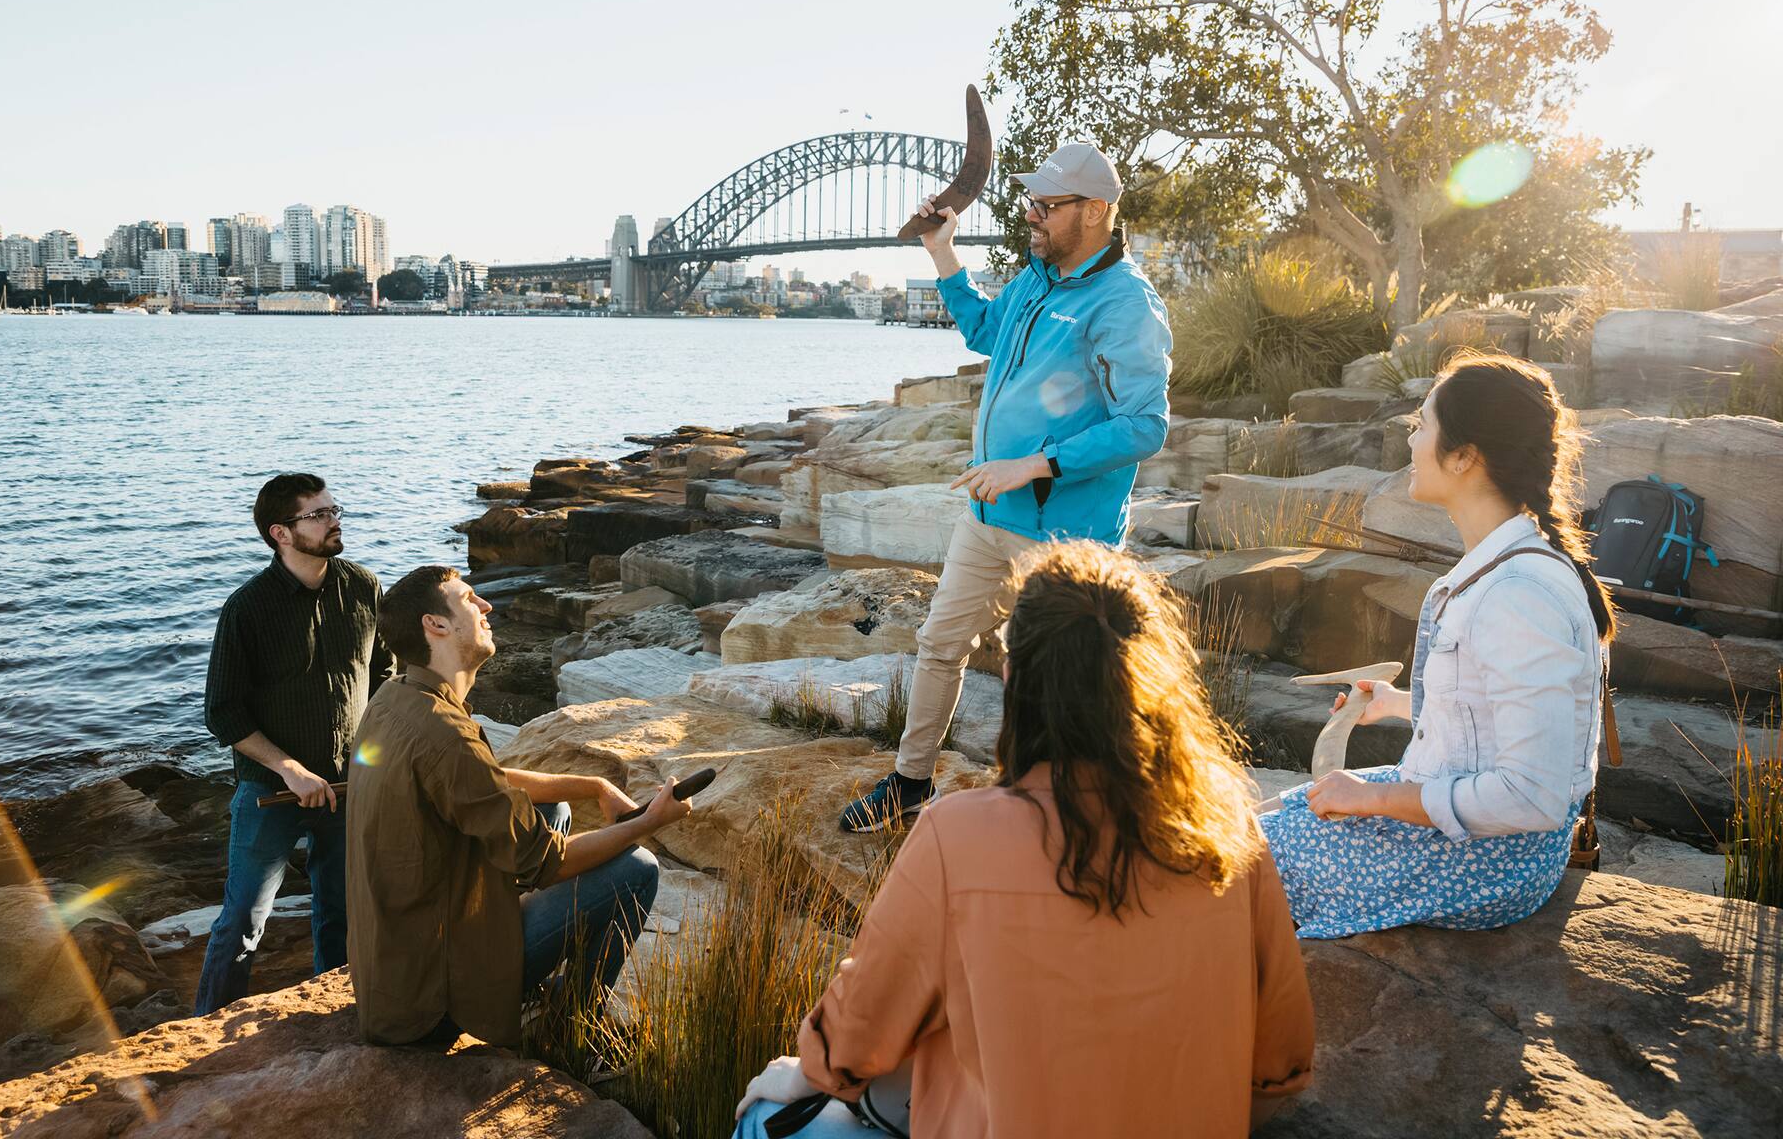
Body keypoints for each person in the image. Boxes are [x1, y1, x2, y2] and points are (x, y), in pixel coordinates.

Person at [741, 541, 1315, 1138]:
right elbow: (1282, 1065)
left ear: (1014, 675)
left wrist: (803, 1071)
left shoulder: (956, 836)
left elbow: (855, 1041)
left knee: (769, 1120)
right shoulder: (1227, 828)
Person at [840, 142, 1173, 833]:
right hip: (987, 514)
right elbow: (985, 330)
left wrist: (1037, 462)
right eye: (1032, 203)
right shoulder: (1038, 279)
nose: (1032, 217)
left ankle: (1048, 809)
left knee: (1044, 673)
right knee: (939, 645)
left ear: (1097, 210)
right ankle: (909, 784)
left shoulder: (1126, 303)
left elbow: (1144, 426)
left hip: (1063, 535)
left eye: (1047, 207)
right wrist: (942, 250)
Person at [1259, 353, 1616, 937]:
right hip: (1465, 836)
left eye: (1422, 423)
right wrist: (1397, 704)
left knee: (1222, 866)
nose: (1410, 438)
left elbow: (1532, 797)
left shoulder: (1521, 592)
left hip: (1486, 861)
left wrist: (1374, 800)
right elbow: (1492, 720)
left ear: (1464, 457)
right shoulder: (1505, 567)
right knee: (1258, 819)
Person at [346, 565, 691, 1049]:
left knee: (554, 812)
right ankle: (572, 1027)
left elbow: (490, 783)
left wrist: (591, 784)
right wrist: (651, 821)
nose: (487, 607)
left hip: (391, 976)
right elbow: (551, 863)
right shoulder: (446, 736)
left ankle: (536, 989)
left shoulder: (396, 697)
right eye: (469, 599)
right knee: (636, 868)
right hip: (430, 1001)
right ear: (436, 625)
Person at [196, 472, 394, 1014]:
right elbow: (222, 713)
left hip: (350, 788)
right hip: (270, 795)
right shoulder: (247, 609)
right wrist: (289, 769)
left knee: (343, 914)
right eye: (320, 514)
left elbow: (383, 678)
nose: (335, 522)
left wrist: (371, 761)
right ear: (281, 533)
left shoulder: (364, 587)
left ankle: (339, 1019)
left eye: (336, 509)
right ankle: (203, 1033)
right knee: (242, 922)